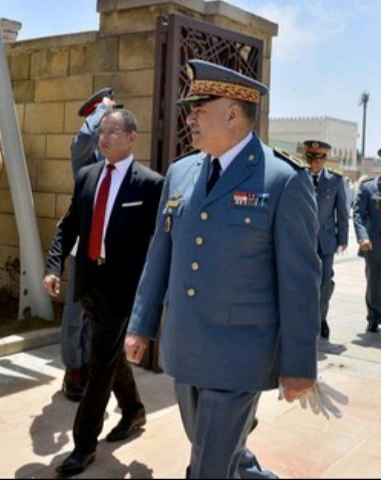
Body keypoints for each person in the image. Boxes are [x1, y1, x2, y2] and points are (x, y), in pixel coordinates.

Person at [124, 59, 321, 479]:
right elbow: (161, 254)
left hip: (240, 354)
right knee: (208, 442)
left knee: (208, 465)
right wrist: (141, 324)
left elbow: (301, 281)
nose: (189, 119)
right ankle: (246, 469)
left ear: (232, 113)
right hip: (185, 343)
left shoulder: (282, 179)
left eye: (199, 109)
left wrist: (299, 364)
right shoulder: (181, 172)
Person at [43, 109, 164, 477]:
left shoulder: (150, 185)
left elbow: (161, 243)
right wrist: (53, 266)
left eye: (113, 131)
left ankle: (83, 445)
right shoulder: (88, 176)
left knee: (98, 366)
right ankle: (133, 410)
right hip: (88, 281)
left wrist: (153, 293)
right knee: (109, 354)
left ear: (132, 137)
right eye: (101, 131)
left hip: (121, 288)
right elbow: (69, 225)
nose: (104, 138)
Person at [58, 87, 117, 402]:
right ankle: (73, 369)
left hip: (108, 249)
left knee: (98, 313)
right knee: (76, 312)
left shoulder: (116, 159)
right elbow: (81, 139)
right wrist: (101, 109)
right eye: (105, 121)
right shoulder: (85, 157)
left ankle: (90, 363)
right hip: (83, 248)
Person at [304, 139, 348, 340]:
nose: (315, 163)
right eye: (311, 158)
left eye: (319, 159)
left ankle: (321, 318)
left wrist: (343, 239)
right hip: (303, 239)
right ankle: (304, 318)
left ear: (325, 159)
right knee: (303, 280)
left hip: (326, 241)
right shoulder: (298, 177)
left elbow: (342, 211)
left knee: (325, 281)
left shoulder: (335, 180)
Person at [353, 174, 381, 333]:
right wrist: (363, 237)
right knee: (374, 284)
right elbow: (359, 214)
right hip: (374, 245)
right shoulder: (368, 187)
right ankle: (373, 317)